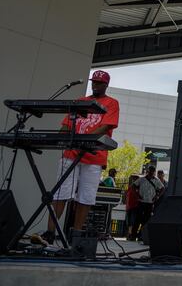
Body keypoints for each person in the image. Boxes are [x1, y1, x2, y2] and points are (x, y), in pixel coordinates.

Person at [42, 70, 119, 244]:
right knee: (61, 193)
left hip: (94, 155)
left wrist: (83, 140)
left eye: (100, 83)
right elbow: (66, 125)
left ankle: (76, 235)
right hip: (71, 153)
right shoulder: (80, 102)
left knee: (86, 197)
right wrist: (59, 140)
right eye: (94, 82)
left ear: (106, 85)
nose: (96, 85)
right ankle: (49, 233)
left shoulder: (112, 103)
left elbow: (106, 126)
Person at [130, 165, 165, 242]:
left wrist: (157, 196)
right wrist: (137, 195)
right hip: (141, 202)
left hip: (150, 203)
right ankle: (133, 236)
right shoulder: (142, 179)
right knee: (137, 219)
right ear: (148, 171)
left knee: (145, 221)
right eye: (150, 171)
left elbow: (162, 188)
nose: (151, 172)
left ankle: (141, 236)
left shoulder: (156, 180)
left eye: (153, 171)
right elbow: (133, 186)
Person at [124, 174, 140, 241]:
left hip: (134, 206)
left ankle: (131, 234)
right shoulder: (131, 188)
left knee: (132, 221)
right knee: (129, 222)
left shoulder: (137, 188)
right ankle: (130, 234)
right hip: (129, 207)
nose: (134, 180)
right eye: (133, 179)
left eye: (135, 179)